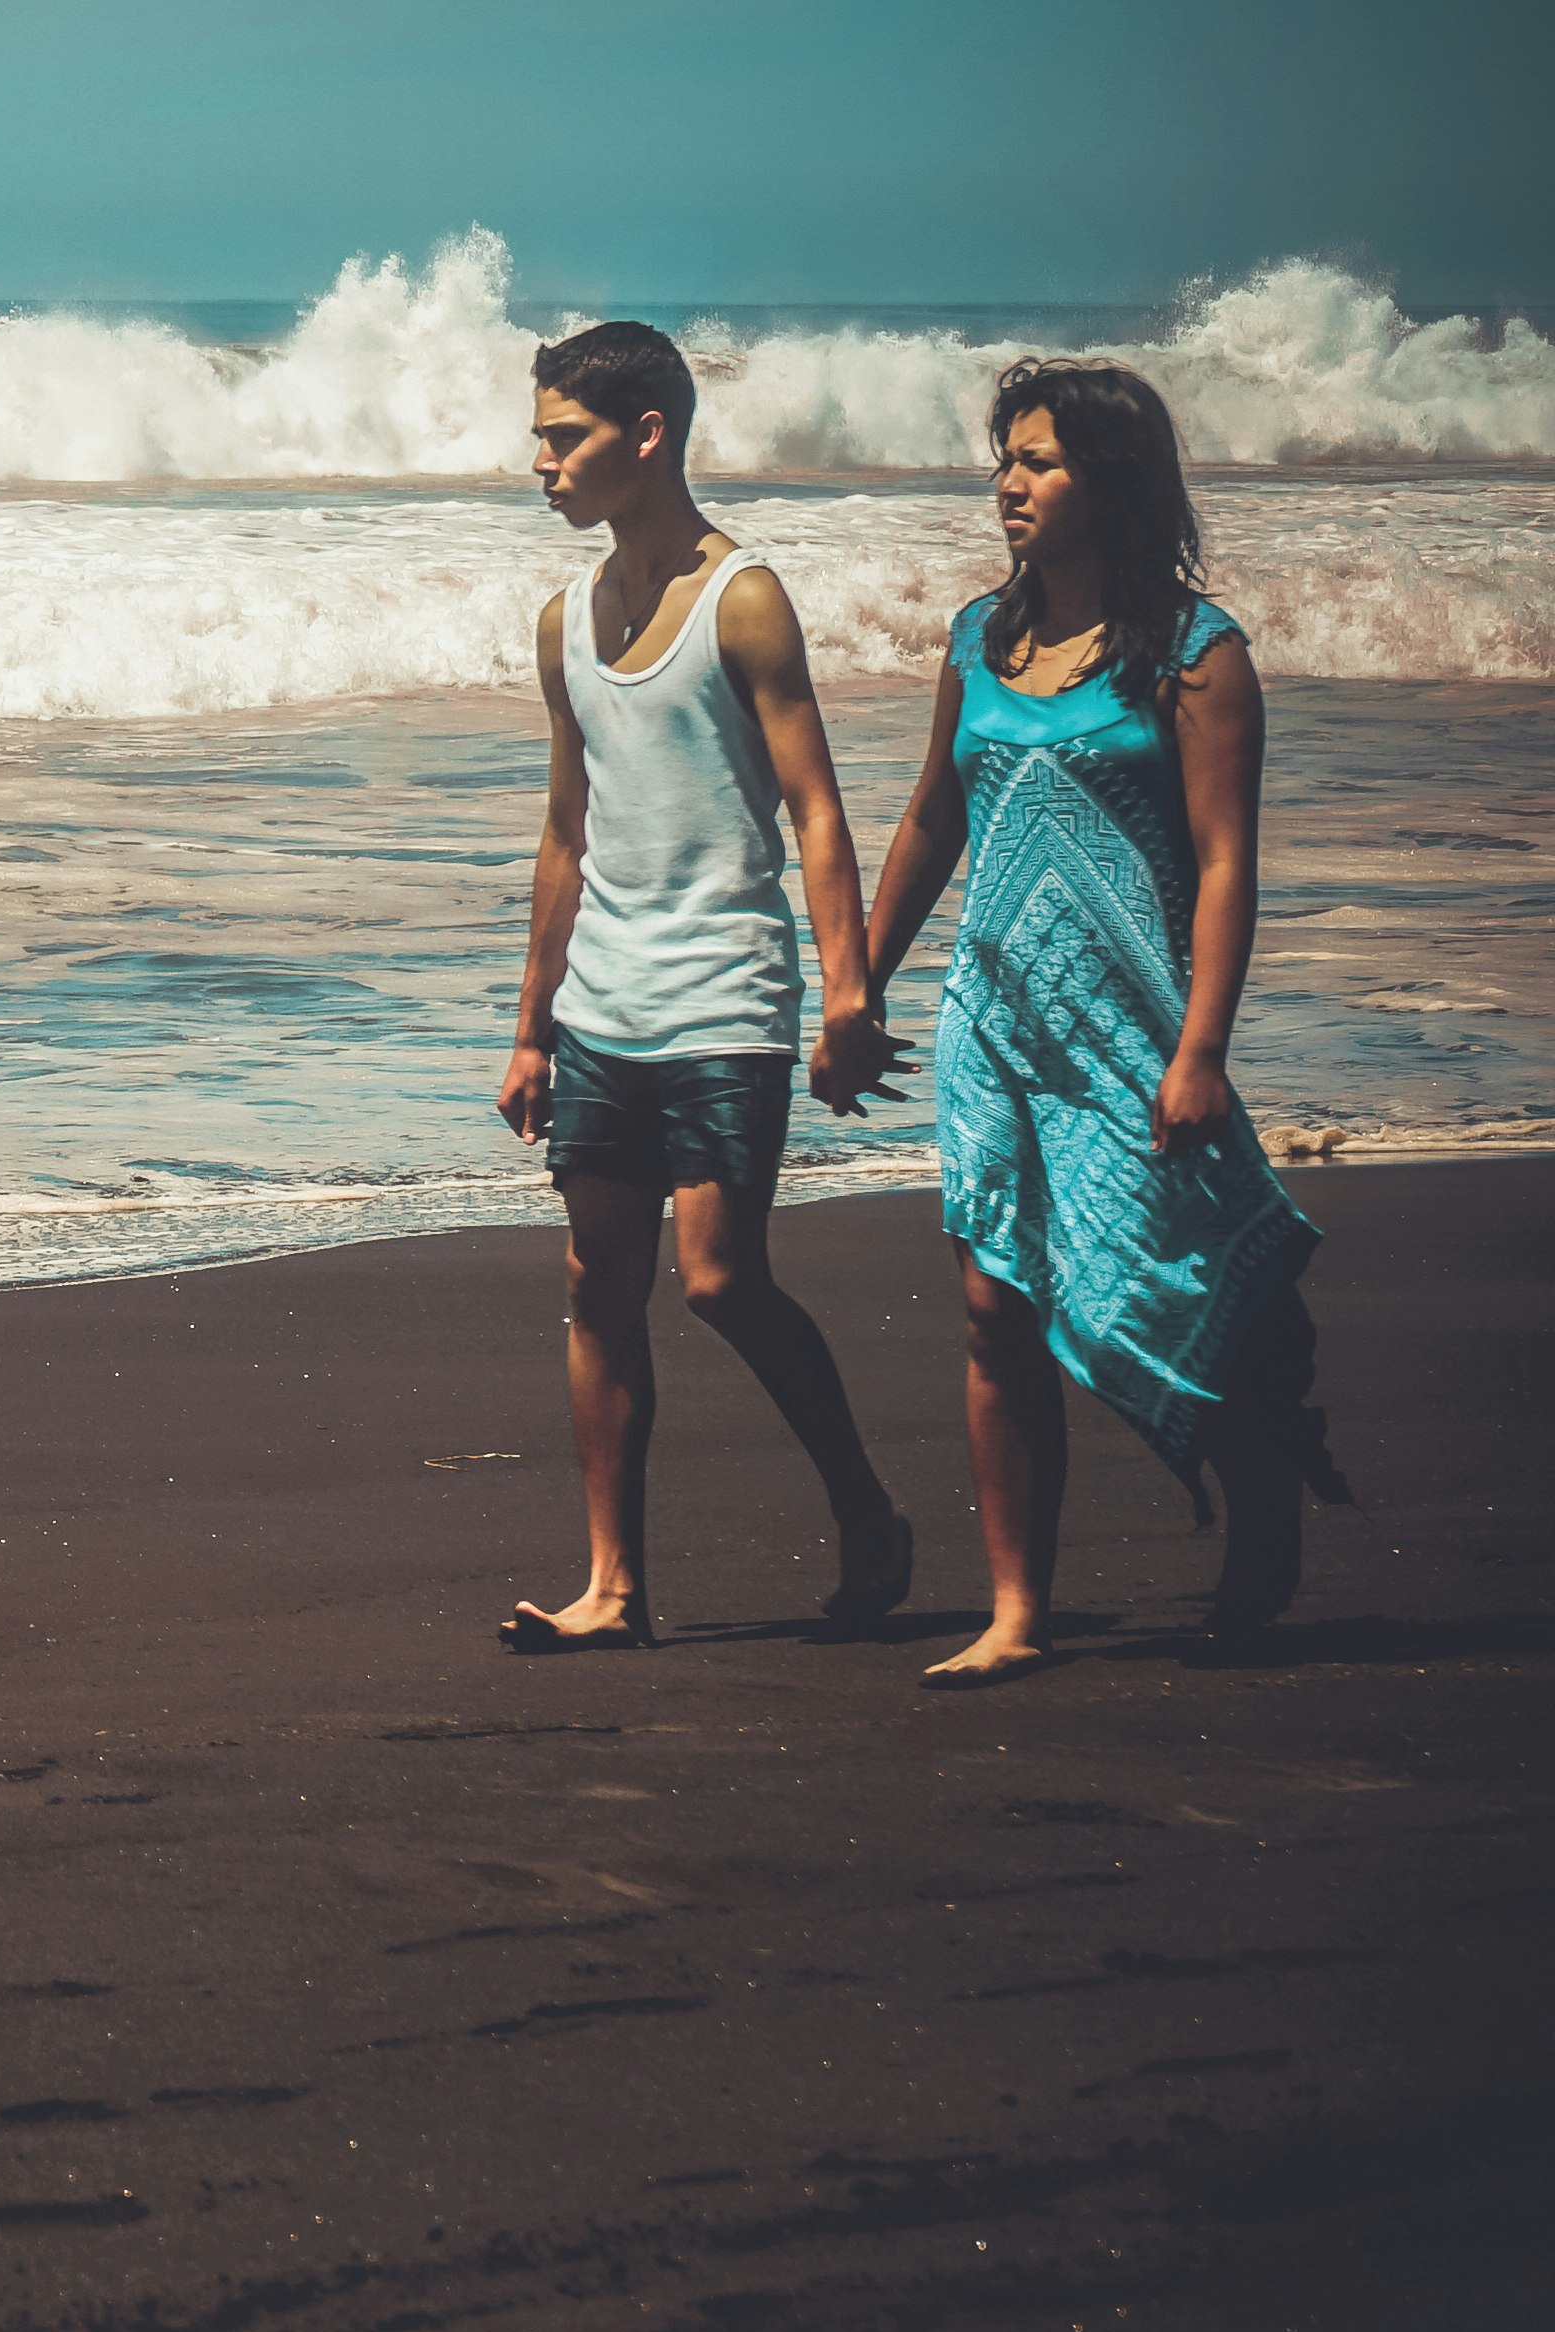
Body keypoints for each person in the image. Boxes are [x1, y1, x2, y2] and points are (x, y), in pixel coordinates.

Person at [850, 358, 1340, 1684]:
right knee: (994, 1301)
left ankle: (1260, 1474)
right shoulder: (976, 640)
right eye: (1005, 458)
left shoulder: (1196, 653)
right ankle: (1019, 1611)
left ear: (1110, 481)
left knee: (1157, 1278)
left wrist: (1203, 1052)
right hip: (992, 1018)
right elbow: (934, 817)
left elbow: (1230, 861)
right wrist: (859, 980)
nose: (1008, 483)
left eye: (1040, 461)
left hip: (1133, 1023)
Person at [495, 322, 916, 1653]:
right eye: (540, 438)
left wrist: (849, 994)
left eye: (566, 438)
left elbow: (817, 811)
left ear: (649, 434)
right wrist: (530, 1030)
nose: (543, 463)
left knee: (721, 1281)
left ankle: (864, 1505)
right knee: (595, 1285)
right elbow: (566, 833)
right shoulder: (566, 620)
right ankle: (613, 1588)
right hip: (603, 1008)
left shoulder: (744, 598)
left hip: (727, 991)